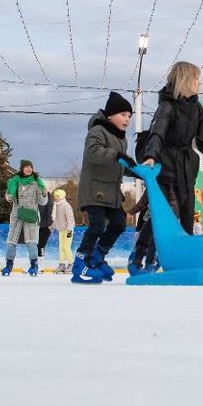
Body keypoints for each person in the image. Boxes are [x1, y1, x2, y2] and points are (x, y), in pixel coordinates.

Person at [138, 62, 203, 270]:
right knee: (164, 216)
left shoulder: (196, 107)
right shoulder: (167, 106)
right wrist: (150, 156)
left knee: (187, 216)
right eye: (196, 78)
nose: (200, 82)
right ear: (185, 80)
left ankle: (179, 259)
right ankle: (141, 255)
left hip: (186, 168)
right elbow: (157, 133)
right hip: (166, 167)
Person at [73, 92, 133, 284]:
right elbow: (93, 153)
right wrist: (117, 155)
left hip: (112, 192)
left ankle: (97, 257)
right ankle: (80, 264)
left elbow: (121, 164)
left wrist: (140, 172)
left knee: (119, 223)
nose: (127, 119)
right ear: (110, 115)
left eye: (129, 116)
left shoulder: (121, 139)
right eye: (123, 114)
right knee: (97, 227)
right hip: (94, 190)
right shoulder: (97, 131)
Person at [2, 160, 47, 277]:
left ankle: (34, 265)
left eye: (30, 167)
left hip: (31, 214)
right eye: (26, 167)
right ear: (22, 169)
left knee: (31, 241)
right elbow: (8, 197)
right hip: (17, 214)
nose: (29, 169)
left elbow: (42, 202)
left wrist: (45, 194)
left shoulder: (37, 183)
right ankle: (8, 265)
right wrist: (9, 196)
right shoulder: (14, 182)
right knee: (11, 240)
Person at [51, 188, 76, 275]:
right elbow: (56, 219)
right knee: (61, 248)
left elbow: (70, 218)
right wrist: (52, 227)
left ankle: (72, 263)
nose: (56, 198)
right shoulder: (56, 206)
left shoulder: (66, 205)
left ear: (61, 196)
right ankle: (62, 264)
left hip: (68, 230)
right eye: (55, 196)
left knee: (66, 247)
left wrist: (70, 228)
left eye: (57, 196)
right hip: (61, 230)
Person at [37, 189, 54, 262]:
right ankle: (34, 263)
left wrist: (49, 225)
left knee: (41, 245)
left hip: (45, 227)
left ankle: (41, 263)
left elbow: (50, 214)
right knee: (34, 245)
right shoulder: (38, 200)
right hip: (37, 226)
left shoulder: (49, 201)